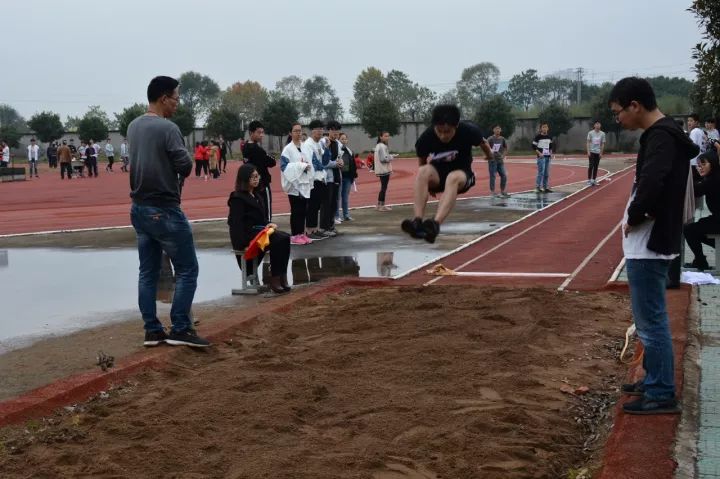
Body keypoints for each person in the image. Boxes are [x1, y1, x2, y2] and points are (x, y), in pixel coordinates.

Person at [610, 76, 698, 414]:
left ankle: (661, 393)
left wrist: (635, 214)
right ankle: (653, 380)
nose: (618, 118)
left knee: (651, 320)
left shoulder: (660, 137)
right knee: (649, 316)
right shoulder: (665, 134)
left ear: (635, 105)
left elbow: (653, 180)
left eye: (619, 111)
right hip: (653, 239)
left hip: (649, 241)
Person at [128, 75, 209, 348]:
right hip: (164, 208)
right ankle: (181, 327)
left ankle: (152, 329)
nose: (177, 104)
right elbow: (185, 166)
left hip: (138, 208)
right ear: (163, 98)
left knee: (147, 272)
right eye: (176, 98)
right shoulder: (168, 128)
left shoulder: (133, 126)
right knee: (187, 269)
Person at [401, 104, 493, 243]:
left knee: (452, 177)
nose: (443, 135)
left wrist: (490, 156)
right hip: (438, 175)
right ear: (434, 127)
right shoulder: (427, 137)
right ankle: (417, 221)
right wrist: (426, 184)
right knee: (422, 171)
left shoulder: (468, 130)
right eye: (439, 131)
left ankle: (435, 225)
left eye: (447, 131)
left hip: (462, 174)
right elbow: (422, 161)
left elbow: (483, 144)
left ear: (456, 126)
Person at [228, 163, 291, 294]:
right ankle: (274, 278)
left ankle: (282, 276)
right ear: (245, 179)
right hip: (248, 235)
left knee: (285, 238)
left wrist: (268, 223)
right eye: (253, 177)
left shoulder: (257, 195)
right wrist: (241, 244)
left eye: (257, 176)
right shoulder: (237, 198)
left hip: (260, 232)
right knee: (278, 239)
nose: (256, 179)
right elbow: (235, 224)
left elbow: (261, 218)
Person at [684, 146, 720, 271]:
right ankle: (699, 260)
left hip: (718, 221)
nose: (700, 167)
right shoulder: (714, 176)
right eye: (698, 165)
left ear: (713, 163)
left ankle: (700, 261)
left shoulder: (714, 180)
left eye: (704, 164)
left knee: (689, 230)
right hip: (716, 218)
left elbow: (697, 190)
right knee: (696, 228)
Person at [281, 122, 314, 245]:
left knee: (304, 210)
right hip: (294, 185)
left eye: (300, 130)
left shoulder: (305, 147)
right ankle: (295, 235)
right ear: (290, 133)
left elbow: (310, 161)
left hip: (304, 183)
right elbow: (284, 167)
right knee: (296, 211)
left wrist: (308, 168)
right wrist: (301, 166)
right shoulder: (287, 150)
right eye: (295, 131)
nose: (298, 133)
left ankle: (302, 234)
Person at [242, 120, 276, 221]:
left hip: (251, 184)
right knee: (266, 211)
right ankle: (267, 230)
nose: (262, 135)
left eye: (262, 132)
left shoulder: (245, 147)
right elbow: (272, 162)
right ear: (251, 133)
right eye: (259, 132)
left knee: (255, 209)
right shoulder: (257, 150)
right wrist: (270, 157)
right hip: (262, 183)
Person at [303, 120, 331, 241]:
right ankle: (309, 230)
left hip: (320, 178)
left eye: (321, 129)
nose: (320, 131)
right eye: (317, 129)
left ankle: (315, 229)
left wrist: (327, 148)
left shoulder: (320, 143)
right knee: (312, 206)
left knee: (317, 205)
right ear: (312, 131)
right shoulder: (308, 144)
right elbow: (312, 162)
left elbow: (324, 161)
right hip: (313, 179)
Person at [321, 120, 342, 230]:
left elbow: (339, 158)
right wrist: (336, 164)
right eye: (334, 130)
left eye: (337, 131)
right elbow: (323, 163)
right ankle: (325, 227)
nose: (336, 133)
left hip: (337, 176)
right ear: (329, 130)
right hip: (327, 178)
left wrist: (341, 162)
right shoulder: (324, 142)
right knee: (326, 204)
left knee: (334, 203)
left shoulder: (338, 144)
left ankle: (331, 226)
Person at [338, 132, 358, 221]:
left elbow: (353, 164)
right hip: (339, 176)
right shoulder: (336, 150)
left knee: (345, 197)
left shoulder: (349, 151)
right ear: (338, 140)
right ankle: (337, 216)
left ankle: (346, 215)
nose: (344, 140)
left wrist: (353, 175)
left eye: (345, 139)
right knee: (337, 198)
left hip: (348, 177)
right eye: (342, 139)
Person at [486, 125, 509, 197]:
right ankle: (492, 192)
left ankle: (502, 191)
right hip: (492, 160)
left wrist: (503, 156)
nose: (498, 130)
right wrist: (488, 154)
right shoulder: (490, 139)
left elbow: (506, 148)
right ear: (493, 130)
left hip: (500, 160)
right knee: (493, 176)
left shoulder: (502, 139)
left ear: (501, 130)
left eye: (499, 128)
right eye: (496, 129)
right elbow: (485, 146)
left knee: (504, 175)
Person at [374, 131, 394, 211]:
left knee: (383, 187)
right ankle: (382, 205)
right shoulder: (382, 146)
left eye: (388, 136)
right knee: (384, 187)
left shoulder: (378, 146)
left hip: (381, 170)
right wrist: (391, 157)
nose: (387, 138)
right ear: (380, 137)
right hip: (384, 170)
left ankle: (379, 204)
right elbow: (383, 159)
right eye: (385, 136)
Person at [533, 123, 554, 193]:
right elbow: (533, 146)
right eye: (543, 127)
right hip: (541, 157)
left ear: (548, 128)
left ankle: (545, 187)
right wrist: (539, 153)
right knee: (541, 172)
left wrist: (551, 154)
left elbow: (551, 146)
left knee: (546, 173)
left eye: (546, 127)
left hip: (548, 157)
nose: (545, 128)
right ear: (541, 129)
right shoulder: (538, 137)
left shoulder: (550, 137)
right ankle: (538, 187)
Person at [586, 120, 606, 186]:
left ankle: (594, 179)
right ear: (594, 125)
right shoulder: (590, 133)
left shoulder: (602, 134)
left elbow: (602, 144)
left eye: (599, 124)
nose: (597, 125)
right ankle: (589, 180)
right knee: (591, 165)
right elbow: (588, 142)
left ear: (600, 125)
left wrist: (601, 153)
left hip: (598, 152)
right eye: (596, 124)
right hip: (591, 151)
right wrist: (588, 151)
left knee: (596, 166)